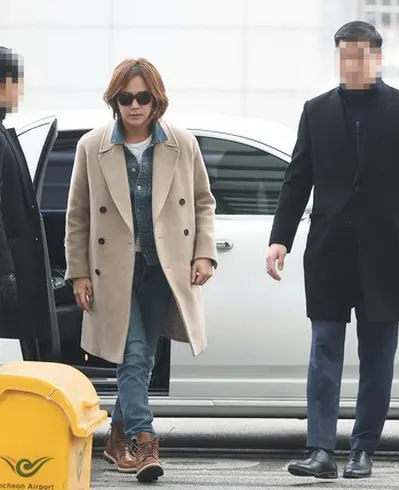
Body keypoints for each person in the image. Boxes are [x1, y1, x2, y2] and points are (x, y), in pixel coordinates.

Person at [266, 21, 399, 479]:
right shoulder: (316, 111)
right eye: (345, 55)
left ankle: (363, 449)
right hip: (330, 250)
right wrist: (280, 238)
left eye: (361, 55)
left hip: (388, 252)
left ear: (377, 58)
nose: (352, 64)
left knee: (378, 355)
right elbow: (297, 179)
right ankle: (320, 451)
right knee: (324, 348)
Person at [64, 58, 217, 483]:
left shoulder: (181, 143)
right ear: (114, 101)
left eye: (143, 97)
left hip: (162, 268)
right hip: (112, 271)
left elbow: (203, 202)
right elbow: (78, 215)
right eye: (126, 98)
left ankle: (116, 438)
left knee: (142, 359)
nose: (134, 106)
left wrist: (204, 253)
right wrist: (79, 272)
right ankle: (144, 440)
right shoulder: (92, 147)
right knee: (132, 354)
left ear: (156, 100)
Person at [0, 46, 57, 359]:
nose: (19, 92)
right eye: (17, 83)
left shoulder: (4, 132)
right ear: (4, 84)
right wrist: (6, 273)